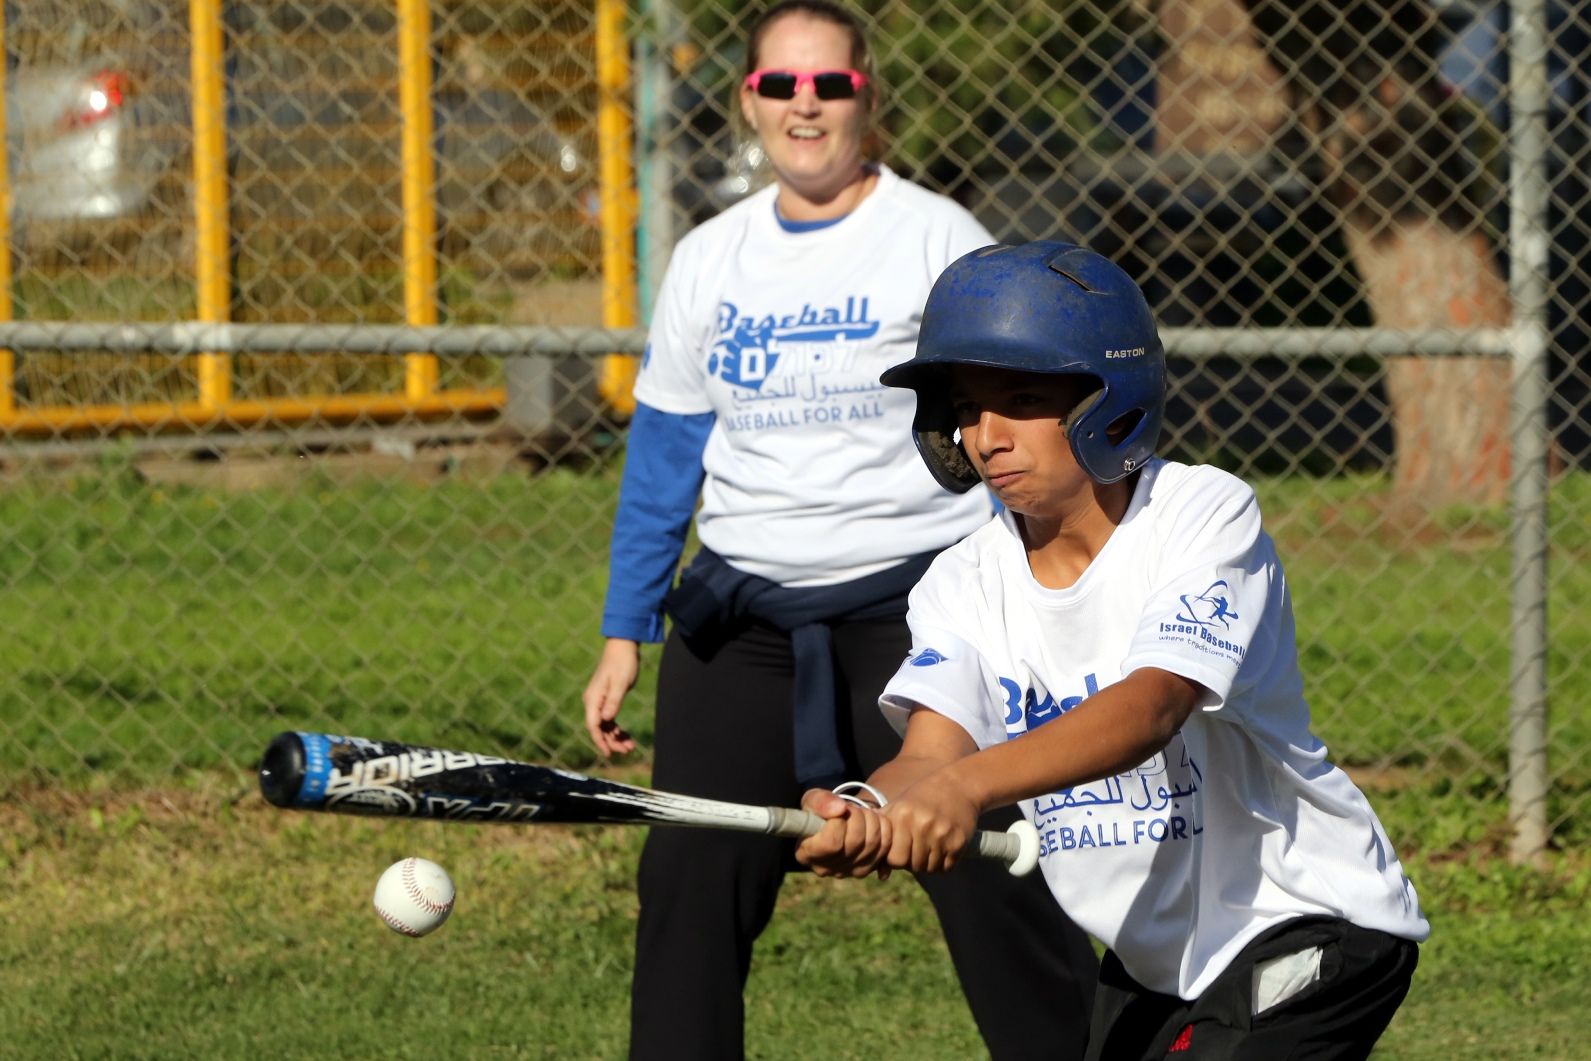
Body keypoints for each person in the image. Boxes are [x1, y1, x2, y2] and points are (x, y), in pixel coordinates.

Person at [581, 4, 1100, 1058]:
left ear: (867, 96)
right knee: (687, 889)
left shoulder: (937, 237)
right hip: (741, 621)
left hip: (918, 615)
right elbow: (668, 452)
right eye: (780, 86)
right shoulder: (708, 257)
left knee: (991, 871)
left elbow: (1011, 423)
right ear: (748, 100)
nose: (803, 105)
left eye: (829, 85)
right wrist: (624, 628)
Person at [796, 240, 1431, 1060]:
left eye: (1021, 398)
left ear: (1108, 398)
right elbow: (931, 752)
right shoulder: (959, 582)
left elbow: (1151, 705)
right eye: (965, 407)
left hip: (1303, 918)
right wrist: (874, 811)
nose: (987, 436)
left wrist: (964, 788)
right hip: (1151, 958)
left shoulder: (1199, 515)